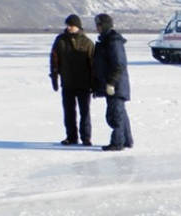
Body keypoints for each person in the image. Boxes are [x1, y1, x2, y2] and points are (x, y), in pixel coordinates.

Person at [49, 14, 94, 146]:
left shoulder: (87, 42)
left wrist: (94, 83)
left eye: (71, 25)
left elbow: (93, 64)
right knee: (69, 112)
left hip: (84, 83)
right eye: (67, 25)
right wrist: (54, 77)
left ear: (78, 26)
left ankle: (86, 138)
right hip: (68, 83)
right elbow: (54, 59)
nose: (69, 28)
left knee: (84, 112)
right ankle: (71, 137)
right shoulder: (60, 40)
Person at [92, 13, 133, 151]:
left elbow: (119, 64)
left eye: (98, 25)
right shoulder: (106, 40)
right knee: (119, 112)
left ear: (103, 25)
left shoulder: (113, 41)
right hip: (113, 85)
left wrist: (111, 83)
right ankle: (127, 140)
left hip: (116, 86)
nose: (96, 28)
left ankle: (117, 142)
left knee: (115, 115)